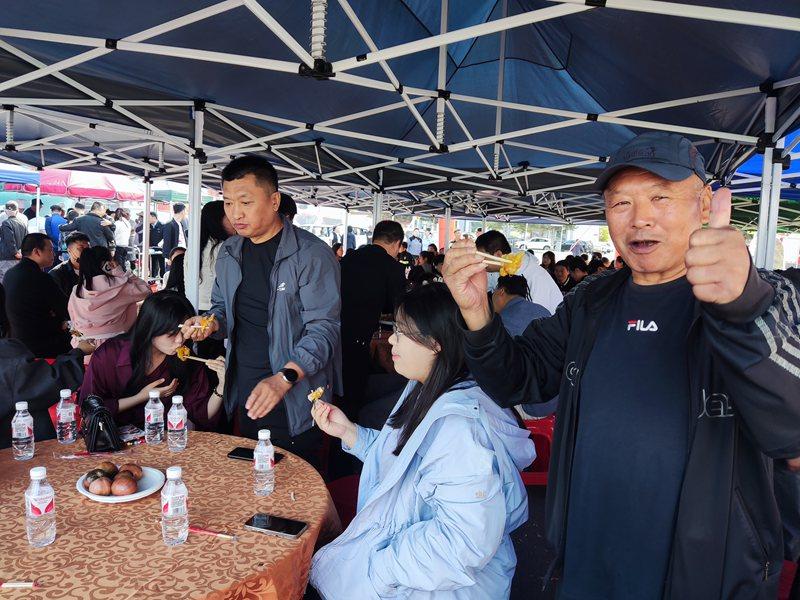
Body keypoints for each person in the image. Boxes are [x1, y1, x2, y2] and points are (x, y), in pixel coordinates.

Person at [442, 131, 800, 598]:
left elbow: (792, 434)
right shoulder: (590, 301)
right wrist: (476, 313)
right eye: (620, 203)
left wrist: (741, 305)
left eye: (660, 197)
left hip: (704, 578)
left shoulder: (770, 297)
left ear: (705, 206)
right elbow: (518, 379)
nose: (640, 218)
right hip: (588, 563)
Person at [309, 283, 535, 599]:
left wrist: (380, 570)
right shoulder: (424, 388)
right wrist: (349, 432)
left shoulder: (460, 432)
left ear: (436, 343)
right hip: (405, 569)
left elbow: (462, 543)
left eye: (401, 332)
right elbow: (403, 462)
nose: (391, 339)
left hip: (436, 588)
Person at [184, 155, 341, 467]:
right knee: (249, 477)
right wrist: (211, 323)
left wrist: (283, 378)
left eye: (245, 202)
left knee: (293, 484)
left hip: (293, 395)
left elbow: (324, 330)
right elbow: (222, 310)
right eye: (228, 203)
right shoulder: (230, 251)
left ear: (274, 201)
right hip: (246, 390)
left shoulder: (311, 255)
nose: (235, 213)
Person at [80, 290, 223, 430]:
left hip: (162, 438)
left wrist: (222, 384)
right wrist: (140, 397)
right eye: (171, 334)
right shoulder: (109, 355)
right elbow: (88, 409)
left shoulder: (186, 359)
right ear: (151, 329)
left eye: (183, 333)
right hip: (111, 437)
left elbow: (202, 414)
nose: (180, 340)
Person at [339, 220, 406, 422]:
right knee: (354, 392)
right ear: (397, 243)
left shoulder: (348, 259)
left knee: (337, 387)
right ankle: (350, 429)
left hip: (333, 331)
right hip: (360, 336)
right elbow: (398, 308)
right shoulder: (392, 267)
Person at [3, 233, 71, 357]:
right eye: (50, 250)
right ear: (37, 252)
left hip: (16, 341)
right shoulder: (41, 278)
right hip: (42, 344)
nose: (53, 254)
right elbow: (67, 308)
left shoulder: (9, 274)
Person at [68, 246, 150, 348]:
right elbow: (146, 290)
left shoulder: (76, 290)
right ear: (107, 264)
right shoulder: (120, 285)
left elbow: (72, 317)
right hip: (115, 346)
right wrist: (120, 272)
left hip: (82, 346)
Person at [476, 230, 563, 315]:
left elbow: (535, 316)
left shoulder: (528, 276)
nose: (477, 261)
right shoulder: (508, 269)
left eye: (482, 257)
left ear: (498, 255)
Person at [49, 232, 90, 297]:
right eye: (81, 248)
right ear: (69, 250)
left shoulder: (95, 269)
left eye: (88, 248)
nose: (86, 252)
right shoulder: (57, 274)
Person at [0, 201, 27, 283]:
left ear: (5, 211)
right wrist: (20, 253)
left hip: (8, 257)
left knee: (5, 281)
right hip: (20, 257)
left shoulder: (6, 223)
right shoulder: (23, 223)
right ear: (17, 211)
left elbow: (9, 240)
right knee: (17, 281)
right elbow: (26, 239)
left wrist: (15, 253)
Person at [147, 211, 165, 280]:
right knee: (153, 264)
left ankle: (162, 279)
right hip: (152, 248)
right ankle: (153, 279)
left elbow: (165, 237)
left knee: (162, 264)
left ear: (154, 217)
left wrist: (162, 244)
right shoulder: (148, 226)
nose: (148, 219)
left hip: (160, 249)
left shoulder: (162, 225)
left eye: (149, 217)